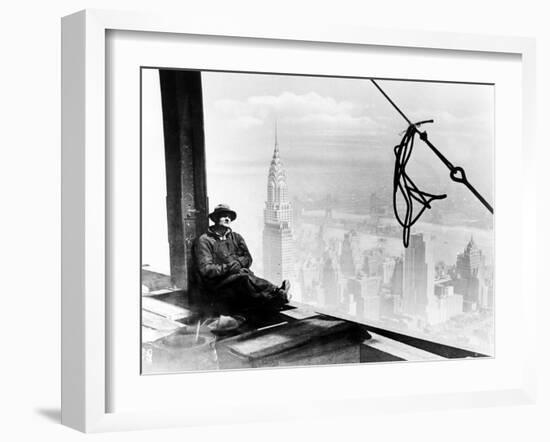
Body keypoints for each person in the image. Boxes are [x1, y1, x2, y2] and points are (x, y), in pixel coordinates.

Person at [194, 203, 291, 315]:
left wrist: (239, 262)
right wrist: (230, 267)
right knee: (244, 278)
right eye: (223, 215)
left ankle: (277, 295)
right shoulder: (205, 240)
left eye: (229, 217)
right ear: (215, 218)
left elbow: (248, 258)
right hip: (219, 283)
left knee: (246, 278)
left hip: (239, 278)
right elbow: (206, 269)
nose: (227, 218)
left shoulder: (236, 237)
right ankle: (278, 294)